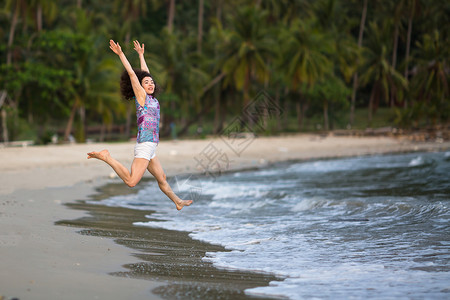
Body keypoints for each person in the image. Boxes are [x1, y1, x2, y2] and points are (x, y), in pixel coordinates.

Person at [87, 40, 192, 211]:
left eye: (152, 82)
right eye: (146, 83)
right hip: (145, 145)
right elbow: (133, 75)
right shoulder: (141, 98)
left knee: (162, 178)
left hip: (151, 147)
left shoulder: (152, 98)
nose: (150, 83)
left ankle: (177, 201)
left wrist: (141, 56)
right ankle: (107, 157)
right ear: (140, 88)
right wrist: (121, 54)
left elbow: (145, 74)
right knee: (131, 181)